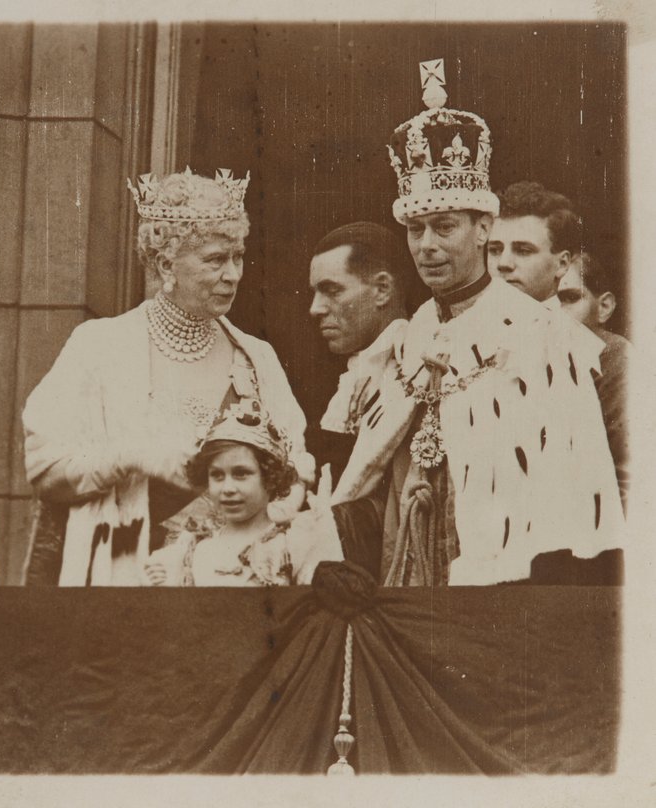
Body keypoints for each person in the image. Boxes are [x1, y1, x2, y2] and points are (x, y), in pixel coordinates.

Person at [330, 60, 622, 586]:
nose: (427, 246)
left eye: (444, 227)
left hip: (505, 585)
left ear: (484, 228)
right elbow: (371, 482)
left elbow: (571, 500)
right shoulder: (403, 342)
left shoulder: (546, 337)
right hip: (407, 571)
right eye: (416, 230)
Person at [22, 168, 311, 586]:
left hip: (231, 580)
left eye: (238, 257)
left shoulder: (257, 359)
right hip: (126, 572)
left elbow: (291, 471)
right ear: (165, 263)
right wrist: (134, 455)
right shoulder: (99, 345)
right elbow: (46, 469)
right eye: (215, 259)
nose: (233, 274)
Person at [144, 400, 341, 587]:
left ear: (270, 478)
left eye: (241, 474)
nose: (228, 488)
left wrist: (325, 536)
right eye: (217, 476)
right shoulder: (192, 550)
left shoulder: (292, 544)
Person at [307, 221, 413, 479]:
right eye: (316, 293)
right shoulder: (359, 371)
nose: (315, 308)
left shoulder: (414, 370)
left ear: (382, 290)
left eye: (332, 291)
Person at [558, 251, 630, 510]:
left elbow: (629, 481)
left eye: (569, 298)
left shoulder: (615, 359)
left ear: (604, 307)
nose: (554, 312)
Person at [486, 181, 579, 304]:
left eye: (523, 251)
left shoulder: (565, 324)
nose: (503, 263)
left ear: (562, 264)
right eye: (495, 250)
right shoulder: (466, 323)